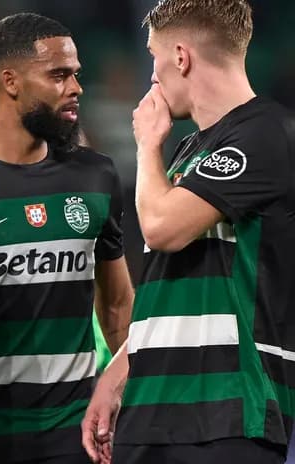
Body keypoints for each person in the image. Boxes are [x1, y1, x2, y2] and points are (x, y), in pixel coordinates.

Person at [83, 1, 295, 463]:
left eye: (154, 59)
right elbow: (172, 290)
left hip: (227, 414)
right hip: (156, 412)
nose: (152, 77)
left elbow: (161, 229)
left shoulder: (267, 134)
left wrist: (145, 144)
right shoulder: (189, 150)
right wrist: (116, 377)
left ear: (180, 57)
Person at [0, 13, 133, 464]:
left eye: (76, 74)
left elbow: (116, 302)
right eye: (59, 75)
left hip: (74, 434)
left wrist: (125, 398)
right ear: (11, 82)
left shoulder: (96, 175)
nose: (76, 87)